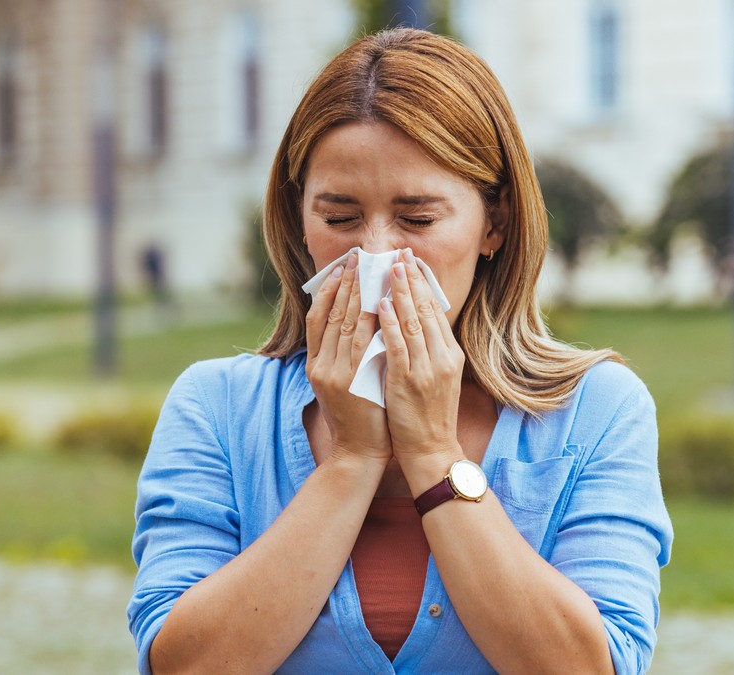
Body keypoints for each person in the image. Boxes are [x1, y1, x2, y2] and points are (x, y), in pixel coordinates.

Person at [128, 28, 672, 675]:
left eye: (417, 219)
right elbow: (182, 665)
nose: (378, 255)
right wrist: (352, 459)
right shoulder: (217, 405)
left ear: (493, 222)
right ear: (299, 220)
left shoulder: (595, 411)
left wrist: (433, 454)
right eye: (339, 217)